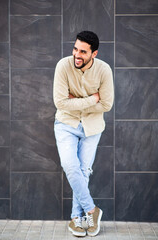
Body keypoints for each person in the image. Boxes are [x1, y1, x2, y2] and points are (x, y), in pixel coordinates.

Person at [53, 31, 114, 237]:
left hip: (92, 128)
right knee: (70, 165)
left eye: (83, 52)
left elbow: (106, 104)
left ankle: (75, 220)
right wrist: (91, 99)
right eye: (75, 49)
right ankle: (91, 210)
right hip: (65, 124)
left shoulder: (104, 70)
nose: (77, 55)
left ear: (93, 54)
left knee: (83, 170)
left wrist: (76, 100)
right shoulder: (63, 66)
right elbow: (60, 103)